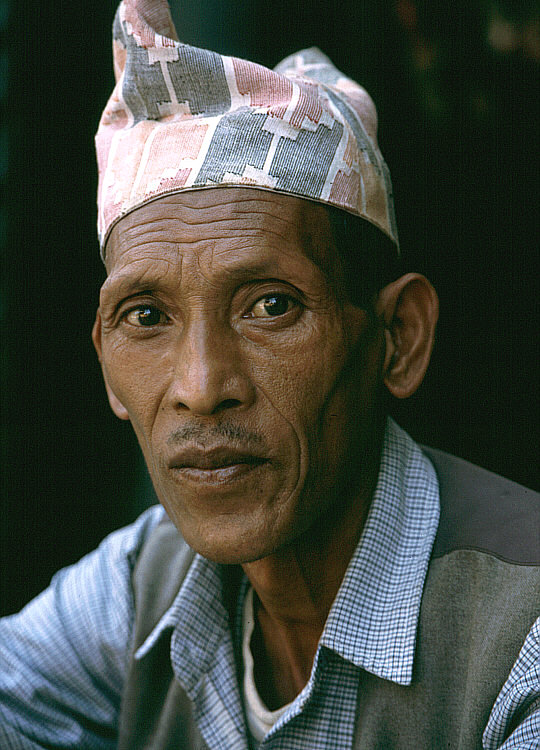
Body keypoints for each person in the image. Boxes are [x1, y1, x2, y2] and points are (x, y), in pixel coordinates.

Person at [1, 0, 538, 747]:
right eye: (147, 317)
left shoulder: (521, 635)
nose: (200, 384)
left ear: (398, 338)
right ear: (104, 364)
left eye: (271, 306)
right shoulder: (143, 582)